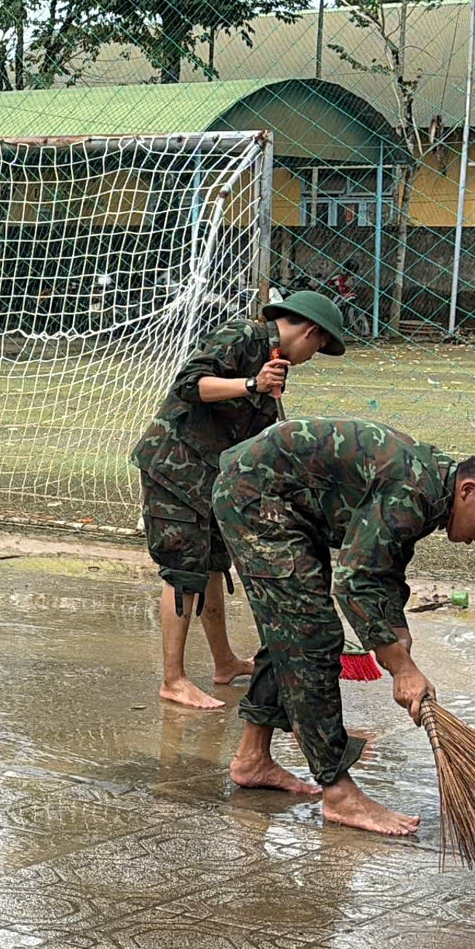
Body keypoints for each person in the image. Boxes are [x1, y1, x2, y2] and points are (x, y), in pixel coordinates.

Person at [212, 418, 475, 836]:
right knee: (309, 634)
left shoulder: (431, 491)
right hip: (255, 495)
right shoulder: (414, 489)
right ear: (469, 491)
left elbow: (383, 562)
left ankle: (252, 758)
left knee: (289, 625)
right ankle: (337, 791)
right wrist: (400, 666)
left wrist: (396, 632)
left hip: (290, 502)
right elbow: (355, 579)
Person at [129, 291, 352, 711]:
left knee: (214, 565)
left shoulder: (273, 365)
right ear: (309, 331)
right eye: (319, 347)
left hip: (211, 477)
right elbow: (189, 384)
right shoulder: (243, 335)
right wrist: (251, 383)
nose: (313, 354)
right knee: (183, 571)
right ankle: (173, 680)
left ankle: (225, 663)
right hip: (175, 469)